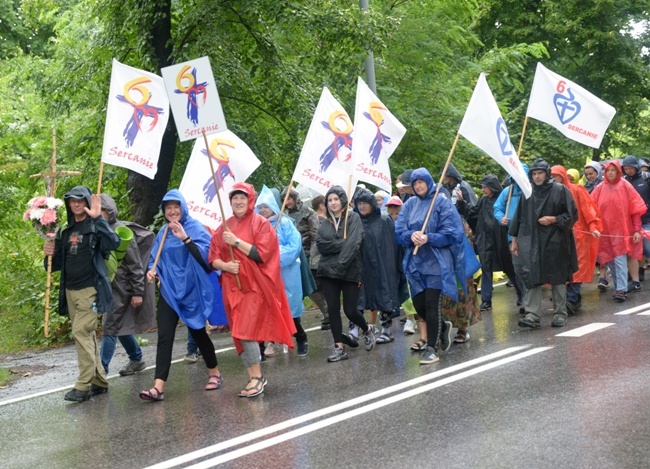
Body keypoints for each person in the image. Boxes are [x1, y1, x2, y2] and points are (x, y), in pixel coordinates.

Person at [209, 182, 296, 397]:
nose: (238, 202)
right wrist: (226, 266)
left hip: (254, 288)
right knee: (238, 333)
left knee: (246, 331)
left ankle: (258, 377)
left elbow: (262, 254)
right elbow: (213, 257)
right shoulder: (224, 226)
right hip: (232, 288)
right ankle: (252, 376)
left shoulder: (260, 224)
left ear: (251, 200)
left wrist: (236, 242)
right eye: (235, 198)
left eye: (243, 198)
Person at [139, 190, 222, 402]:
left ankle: (214, 372)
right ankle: (158, 387)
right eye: (168, 208)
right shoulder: (163, 233)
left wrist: (185, 237)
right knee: (164, 335)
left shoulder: (194, 228)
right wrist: (152, 270)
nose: (172, 211)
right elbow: (154, 259)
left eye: (176, 207)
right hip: (169, 290)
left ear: (183, 208)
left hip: (191, 290)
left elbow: (206, 259)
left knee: (198, 333)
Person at [43, 186, 120, 402]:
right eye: (72, 201)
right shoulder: (65, 231)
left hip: (90, 290)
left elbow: (113, 243)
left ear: (87, 202)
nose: (76, 204)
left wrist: (99, 219)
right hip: (70, 290)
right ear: (68, 204)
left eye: (80, 200)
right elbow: (56, 264)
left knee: (80, 332)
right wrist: (48, 253)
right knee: (86, 335)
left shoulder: (95, 226)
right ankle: (99, 381)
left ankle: (83, 384)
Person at [394, 168, 466, 364]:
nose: (418, 186)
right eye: (414, 183)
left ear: (428, 182)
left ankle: (432, 349)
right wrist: (412, 236)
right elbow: (399, 231)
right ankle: (442, 327)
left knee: (431, 304)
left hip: (437, 261)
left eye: (421, 182)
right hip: (415, 263)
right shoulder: (409, 205)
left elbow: (453, 233)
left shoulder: (441, 202)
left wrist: (429, 237)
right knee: (419, 304)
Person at [510, 158, 578, 328]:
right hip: (531, 240)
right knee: (531, 275)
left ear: (547, 174)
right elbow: (518, 218)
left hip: (555, 240)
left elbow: (572, 215)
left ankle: (560, 313)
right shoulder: (528, 192)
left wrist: (554, 219)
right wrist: (515, 240)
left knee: (557, 276)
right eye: (534, 173)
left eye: (540, 173)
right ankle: (532, 315)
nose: (537, 177)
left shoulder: (560, 190)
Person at [316, 186, 376, 362]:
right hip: (328, 273)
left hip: (350, 271)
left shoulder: (353, 217)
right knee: (333, 309)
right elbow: (322, 246)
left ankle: (367, 329)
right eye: (330, 200)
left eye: (336, 199)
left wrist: (340, 262)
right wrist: (341, 242)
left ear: (342, 200)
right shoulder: (324, 223)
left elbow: (354, 242)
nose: (333, 203)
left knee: (350, 310)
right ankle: (339, 347)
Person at [98, 194, 155, 376]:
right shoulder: (97, 229)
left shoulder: (121, 231)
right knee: (118, 325)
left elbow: (135, 264)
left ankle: (101, 372)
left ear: (109, 211)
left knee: (109, 326)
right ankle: (136, 359)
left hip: (122, 288)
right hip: (108, 287)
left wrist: (138, 292)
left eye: (101, 211)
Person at [255, 186, 308, 356]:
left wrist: (272, 256)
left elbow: (294, 247)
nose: (263, 210)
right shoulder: (256, 225)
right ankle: (263, 347)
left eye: (266, 206)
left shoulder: (284, 223)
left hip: (286, 273)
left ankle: (300, 338)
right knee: (266, 310)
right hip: (264, 275)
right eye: (260, 207)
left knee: (289, 309)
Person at [591, 161, 647, 301]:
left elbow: (635, 210)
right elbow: (590, 210)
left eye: (613, 170)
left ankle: (621, 289)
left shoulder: (626, 186)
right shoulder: (599, 188)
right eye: (608, 170)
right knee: (610, 261)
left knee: (620, 259)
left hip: (622, 231)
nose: (610, 173)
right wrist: (593, 228)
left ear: (618, 171)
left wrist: (636, 230)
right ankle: (619, 288)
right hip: (605, 233)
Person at [550, 166, 602, 313]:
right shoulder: (549, 193)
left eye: (556, 176)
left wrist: (593, 227)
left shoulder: (577, 190)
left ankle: (572, 299)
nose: (553, 179)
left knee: (577, 267)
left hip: (578, 237)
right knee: (562, 267)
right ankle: (570, 298)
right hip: (558, 236)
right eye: (551, 176)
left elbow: (588, 210)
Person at [354, 188, 400, 344]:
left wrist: (391, 265)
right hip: (362, 266)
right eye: (359, 203)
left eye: (364, 203)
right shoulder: (354, 220)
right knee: (359, 297)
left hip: (382, 264)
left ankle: (386, 330)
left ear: (372, 203)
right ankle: (354, 329)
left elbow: (391, 244)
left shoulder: (384, 220)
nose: (361, 206)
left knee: (384, 295)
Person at [468, 174, 521, 312]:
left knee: (509, 267)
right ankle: (486, 301)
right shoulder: (483, 200)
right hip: (485, 239)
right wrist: (461, 203)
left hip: (501, 238)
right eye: (482, 187)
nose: (483, 190)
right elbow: (473, 214)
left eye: (485, 187)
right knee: (486, 269)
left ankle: (521, 294)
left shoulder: (503, 198)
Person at [281, 186, 328, 329]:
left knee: (313, 289)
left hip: (308, 255)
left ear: (295, 197)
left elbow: (316, 236)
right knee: (292, 290)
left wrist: (313, 259)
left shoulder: (308, 213)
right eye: (284, 199)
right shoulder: (284, 216)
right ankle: (294, 323)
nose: (287, 202)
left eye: (289, 198)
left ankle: (328, 314)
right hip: (292, 257)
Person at [492, 165, 530, 313]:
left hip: (530, 235)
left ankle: (531, 302)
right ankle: (527, 297)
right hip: (512, 235)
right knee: (518, 268)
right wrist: (501, 218)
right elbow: (497, 208)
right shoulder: (507, 192)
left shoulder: (530, 191)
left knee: (529, 269)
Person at [386, 196, 418, 335]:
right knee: (400, 291)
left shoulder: (409, 224)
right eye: (391, 213)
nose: (394, 216)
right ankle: (410, 317)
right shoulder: (386, 225)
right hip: (394, 263)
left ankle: (413, 318)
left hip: (409, 262)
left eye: (397, 213)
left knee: (408, 291)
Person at [621, 155, 650, 284]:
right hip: (631, 220)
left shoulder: (646, 178)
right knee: (636, 247)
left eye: (630, 168)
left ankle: (640, 270)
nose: (628, 171)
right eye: (625, 169)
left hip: (647, 219)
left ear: (636, 167)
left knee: (646, 246)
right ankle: (639, 271)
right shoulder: (624, 181)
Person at [310, 195, 330, 330]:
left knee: (321, 289)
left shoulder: (324, 220)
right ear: (322, 206)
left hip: (318, 259)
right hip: (318, 259)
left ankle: (328, 314)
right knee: (318, 288)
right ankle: (328, 313)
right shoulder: (318, 220)